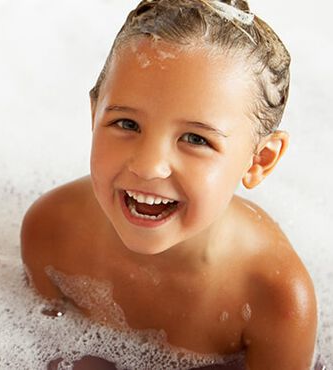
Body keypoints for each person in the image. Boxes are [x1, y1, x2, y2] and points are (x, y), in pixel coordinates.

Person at [21, 0, 318, 368]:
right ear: (95, 114)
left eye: (196, 139)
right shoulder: (51, 233)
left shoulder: (276, 301)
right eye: (127, 124)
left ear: (260, 160)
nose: (148, 167)